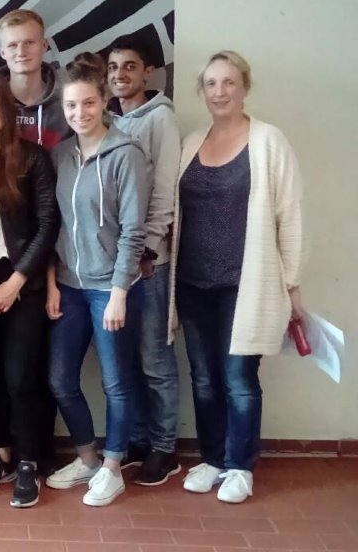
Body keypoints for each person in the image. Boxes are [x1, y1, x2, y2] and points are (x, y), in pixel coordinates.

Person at [169, 51, 303, 504]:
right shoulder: (192, 142)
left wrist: (292, 283)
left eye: (229, 82)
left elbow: (289, 215)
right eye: (211, 84)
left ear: (245, 87)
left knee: (239, 380)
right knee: (204, 378)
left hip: (245, 286)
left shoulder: (267, 141)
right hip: (192, 283)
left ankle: (240, 466)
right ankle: (213, 459)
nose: (220, 92)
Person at [44, 53, 148, 507]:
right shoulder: (60, 155)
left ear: (104, 101)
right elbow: (55, 226)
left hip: (111, 289)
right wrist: (52, 283)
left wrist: (119, 293)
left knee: (116, 383)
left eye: (88, 103)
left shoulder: (127, 154)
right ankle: (87, 457)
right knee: (60, 379)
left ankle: (112, 467)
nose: (79, 113)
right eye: (71, 105)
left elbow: (134, 230)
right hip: (69, 286)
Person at [0, 74, 59, 507]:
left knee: (21, 376)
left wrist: (17, 280)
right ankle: (0, 454)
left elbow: (47, 225)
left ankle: (28, 461)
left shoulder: (32, 158)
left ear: (6, 110)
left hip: (24, 281)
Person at [105, 34, 183, 485]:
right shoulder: (108, 121)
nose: (120, 75)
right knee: (127, 360)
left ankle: (164, 448)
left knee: (155, 358)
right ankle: (137, 440)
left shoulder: (160, 120)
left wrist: (147, 251)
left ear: (148, 71)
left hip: (149, 263)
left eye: (130, 66)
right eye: (114, 67)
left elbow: (164, 191)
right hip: (117, 265)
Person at [0, 9, 72, 150]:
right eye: (12, 45)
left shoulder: (70, 101)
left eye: (29, 42)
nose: (21, 52)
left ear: (44, 46)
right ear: (2, 52)